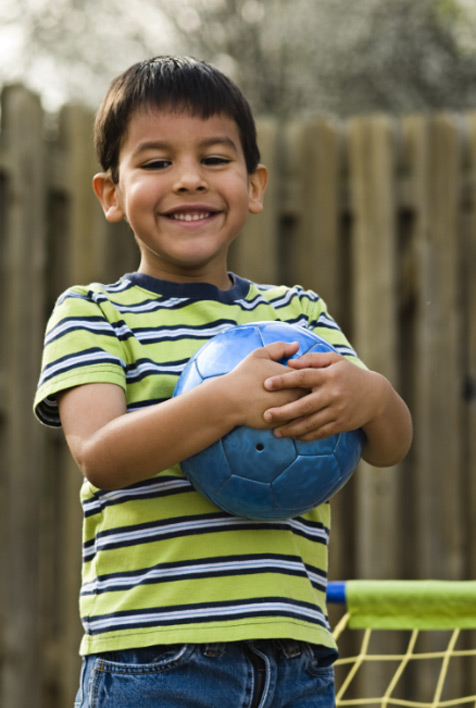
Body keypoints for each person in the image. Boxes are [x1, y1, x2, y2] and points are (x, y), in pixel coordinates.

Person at [34, 56, 412, 708]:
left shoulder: (298, 313)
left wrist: (373, 395)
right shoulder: (94, 312)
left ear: (254, 185)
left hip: (296, 656)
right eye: (155, 164)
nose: (187, 180)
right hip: (152, 658)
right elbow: (99, 455)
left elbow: (388, 444)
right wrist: (220, 402)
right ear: (111, 194)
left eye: (214, 159)